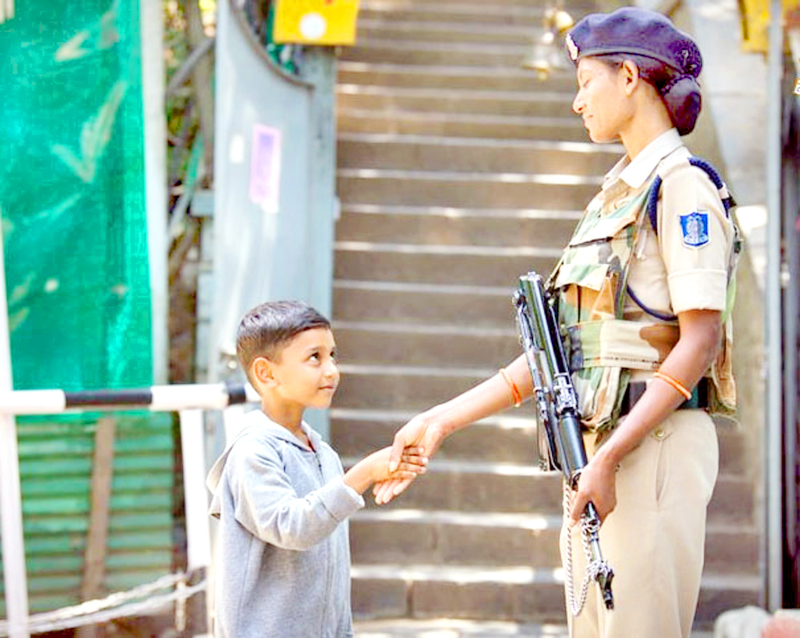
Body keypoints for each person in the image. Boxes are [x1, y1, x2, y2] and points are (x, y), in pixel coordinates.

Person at [374, 7, 738, 638]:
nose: (576, 103)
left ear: (629, 77)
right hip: (599, 451)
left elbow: (699, 340)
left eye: (585, 82)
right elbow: (558, 350)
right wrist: (441, 421)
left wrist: (612, 456)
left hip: (649, 446)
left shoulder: (681, 189)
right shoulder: (613, 196)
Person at [206, 300, 428, 638]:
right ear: (267, 373)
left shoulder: (323, 453)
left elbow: (333, 572)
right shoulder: (253, 451)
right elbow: (293, 527)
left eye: (332, 356)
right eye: (315, 358)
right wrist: (365, 473)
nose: (331, 371)